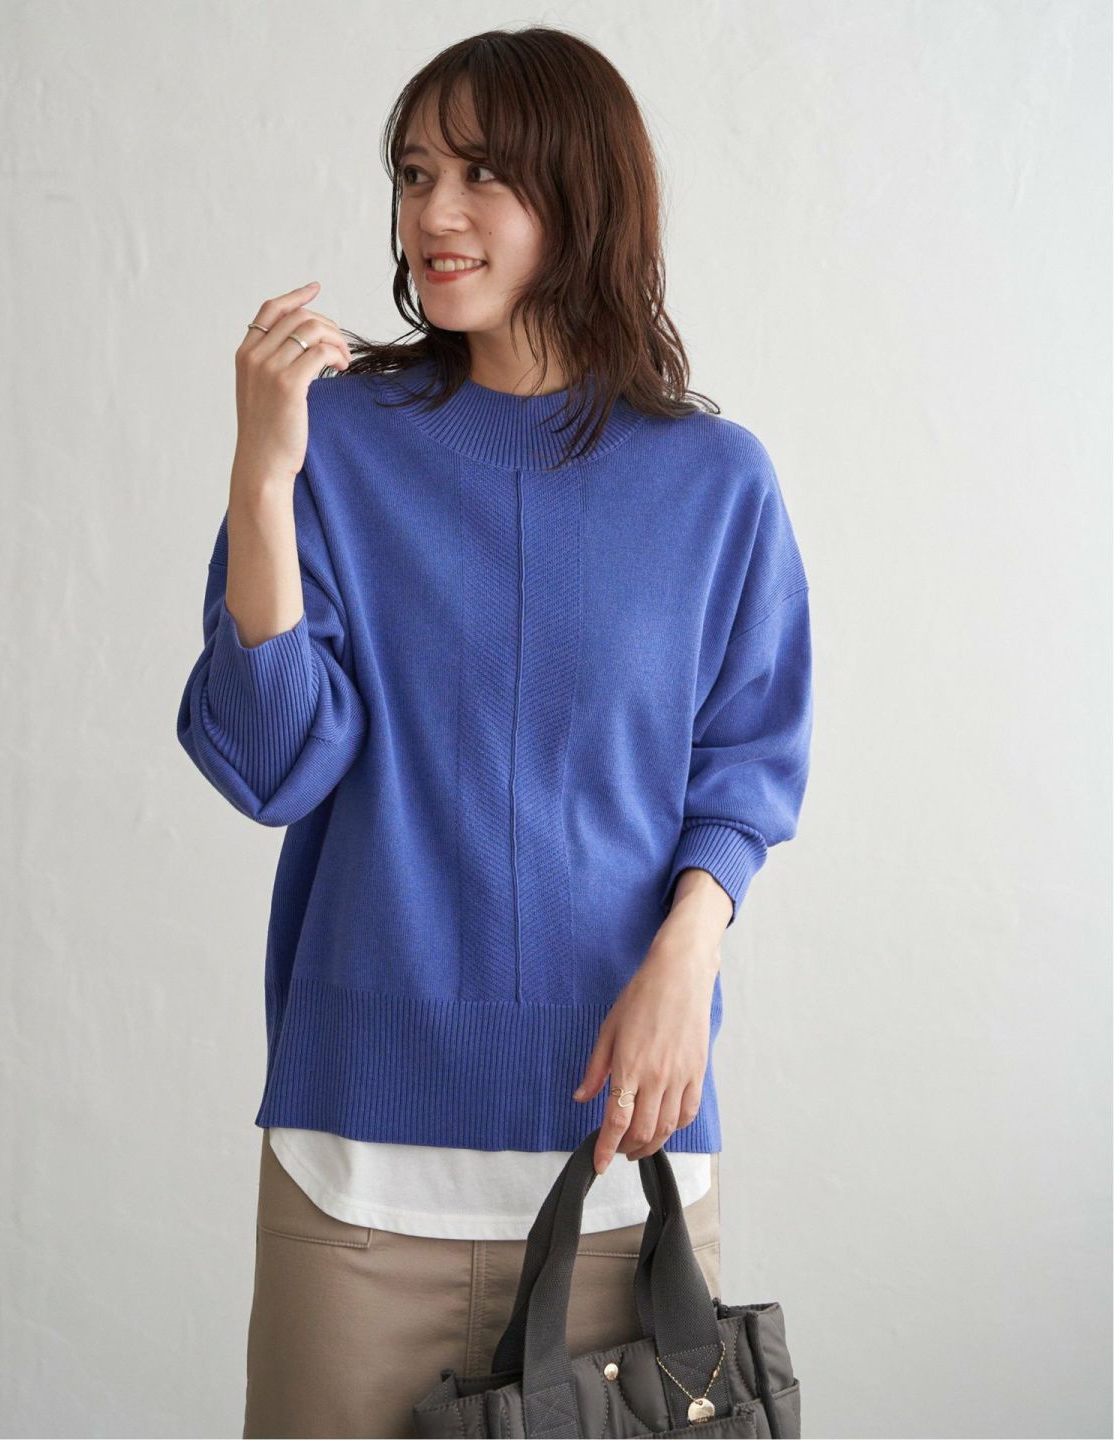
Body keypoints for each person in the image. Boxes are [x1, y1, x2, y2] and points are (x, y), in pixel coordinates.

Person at [176, 25, 813, 1440]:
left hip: (622, 1175)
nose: (434, 212)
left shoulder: (715, 482)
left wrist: (690, 950)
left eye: (481, 174)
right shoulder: (337, 442)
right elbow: (274, 764)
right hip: (357, 1179)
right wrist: (264, 472)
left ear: (581, 195)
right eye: (415, 174)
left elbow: (747, 768)